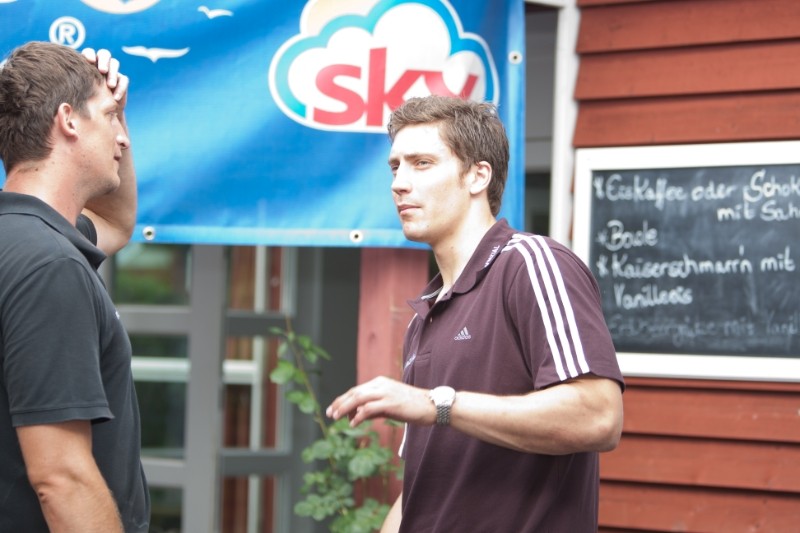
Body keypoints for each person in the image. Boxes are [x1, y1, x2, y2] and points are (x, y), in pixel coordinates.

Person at [327, 95, 624, 532]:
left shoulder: (531, 263)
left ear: (477, 176)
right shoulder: (425, 316)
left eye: (422, 163)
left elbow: (599, 417)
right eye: (395, 167)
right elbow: (423, 491)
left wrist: (438, 403)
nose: (399, 183)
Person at [0, 42, 149, 532]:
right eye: (110, 117)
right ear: (68, 119)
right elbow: (61, 479)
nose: (121, 137)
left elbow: (115, 223)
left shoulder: (22, 239)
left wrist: (114, 107)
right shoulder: (50, 264)